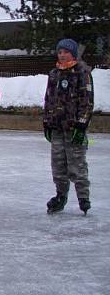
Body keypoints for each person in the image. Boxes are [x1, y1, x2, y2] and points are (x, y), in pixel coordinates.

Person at [43, 38, 94, 215]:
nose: (62, 55)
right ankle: (60, 195)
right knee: (58, 166)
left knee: (77, 164)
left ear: (73, 53)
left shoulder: (82, 73)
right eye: (60, 52)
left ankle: (83, 197)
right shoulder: (54, 74)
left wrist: (82, 125)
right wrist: (47, 122)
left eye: (66, 52)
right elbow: (48, 99)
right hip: (57, 127)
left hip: (74, 129)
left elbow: (87, 101)